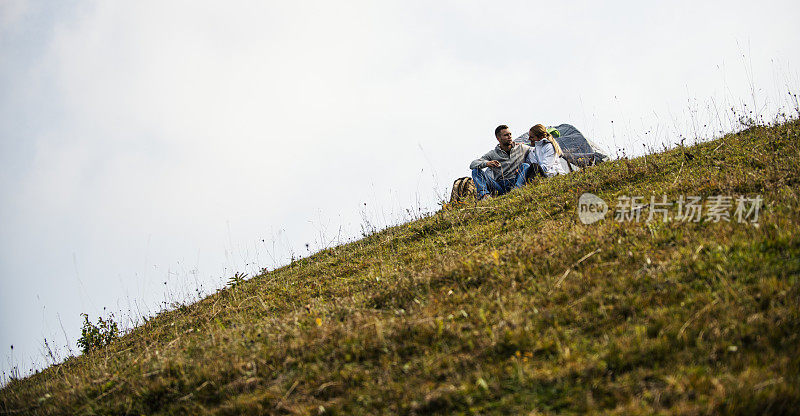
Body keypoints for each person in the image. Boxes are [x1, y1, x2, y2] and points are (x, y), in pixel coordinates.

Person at [469, 125, 532, 200]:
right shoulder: (493, 153)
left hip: (517, 181)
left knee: (525, 165)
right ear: (498, 138)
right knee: (476, 171)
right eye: (506, 135)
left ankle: (516, 191)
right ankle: (484, 196)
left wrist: (549, 139)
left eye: (510, 134)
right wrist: (487, 163)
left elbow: (537, 150)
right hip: (499, 187)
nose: (509, 137)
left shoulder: (521, 148)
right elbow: (473, 164)